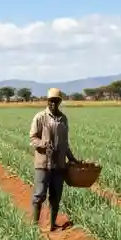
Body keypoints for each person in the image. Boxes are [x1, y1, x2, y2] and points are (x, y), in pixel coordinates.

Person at [28, 87, 77, 232]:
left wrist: (72, 158)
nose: (53, 104)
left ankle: (52, 225)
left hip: (59, 165)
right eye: (51, 101)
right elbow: (32, 138)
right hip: (43, 163)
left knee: (56, 196)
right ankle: (35, 226)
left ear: (60, 101)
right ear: (47, 101)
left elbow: (65, 143)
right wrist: (43, 143)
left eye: (56, 101)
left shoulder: (63, 119)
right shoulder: (40, 117)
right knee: (39, 195)